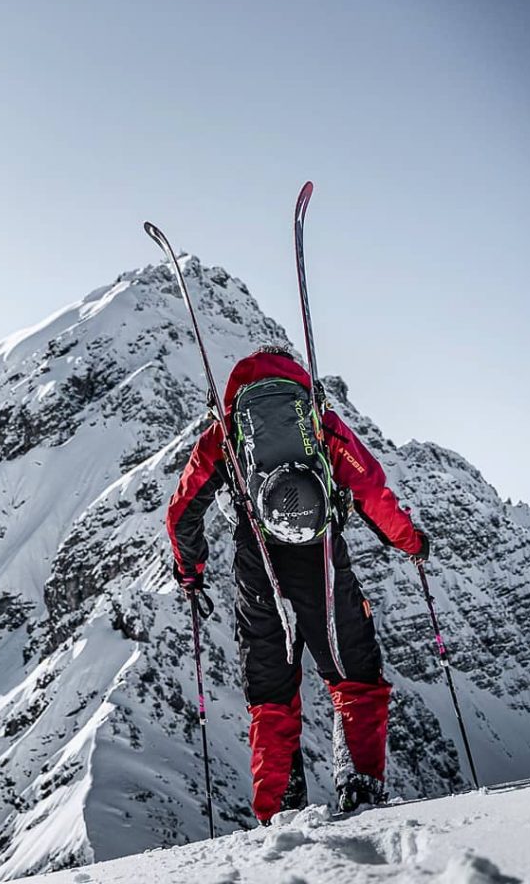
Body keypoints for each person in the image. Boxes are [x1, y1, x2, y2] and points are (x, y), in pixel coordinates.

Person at [165, 346, 429, 824]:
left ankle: (279, 811)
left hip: (257, 569)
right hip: (320, 561)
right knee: (355, 677)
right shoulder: (317, 421)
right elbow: (370, 487)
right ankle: (360, 788)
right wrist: (409, 543)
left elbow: (181, 512)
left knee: (271, 692)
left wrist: (190, 571)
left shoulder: (226, 432)